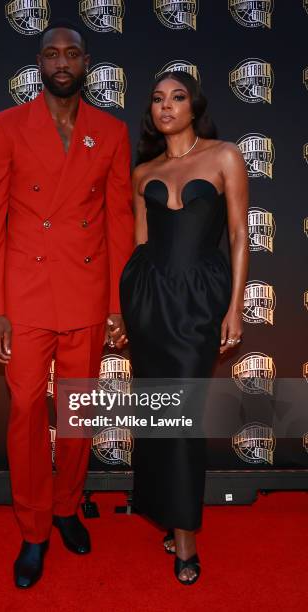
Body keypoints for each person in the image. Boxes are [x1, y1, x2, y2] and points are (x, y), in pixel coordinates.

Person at [0, 20, 133, 588]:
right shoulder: (4, 127)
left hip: (87, 294)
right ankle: (34, 528)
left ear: (86, 62)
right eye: (51, 54)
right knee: (23, 415)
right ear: (39, 64)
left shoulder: (110, 132)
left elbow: (119, 221)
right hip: (25, 298)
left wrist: (117, 304)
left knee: (78, 411)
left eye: (71, 53)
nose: (61, 62)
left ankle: (66, 506)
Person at [119, 71, 249, 585]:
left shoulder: (224, 156)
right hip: (149, 299)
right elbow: (139, 243)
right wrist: (126, 310)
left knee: (184, 417)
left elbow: (239, 234)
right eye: (157, 99)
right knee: (156, 416)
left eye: (177, 97)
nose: (166, 106)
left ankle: (186, 535)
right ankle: (170, 517)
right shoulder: (143, 171)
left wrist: (236, 307)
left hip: (199, 301)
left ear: (194, 106)